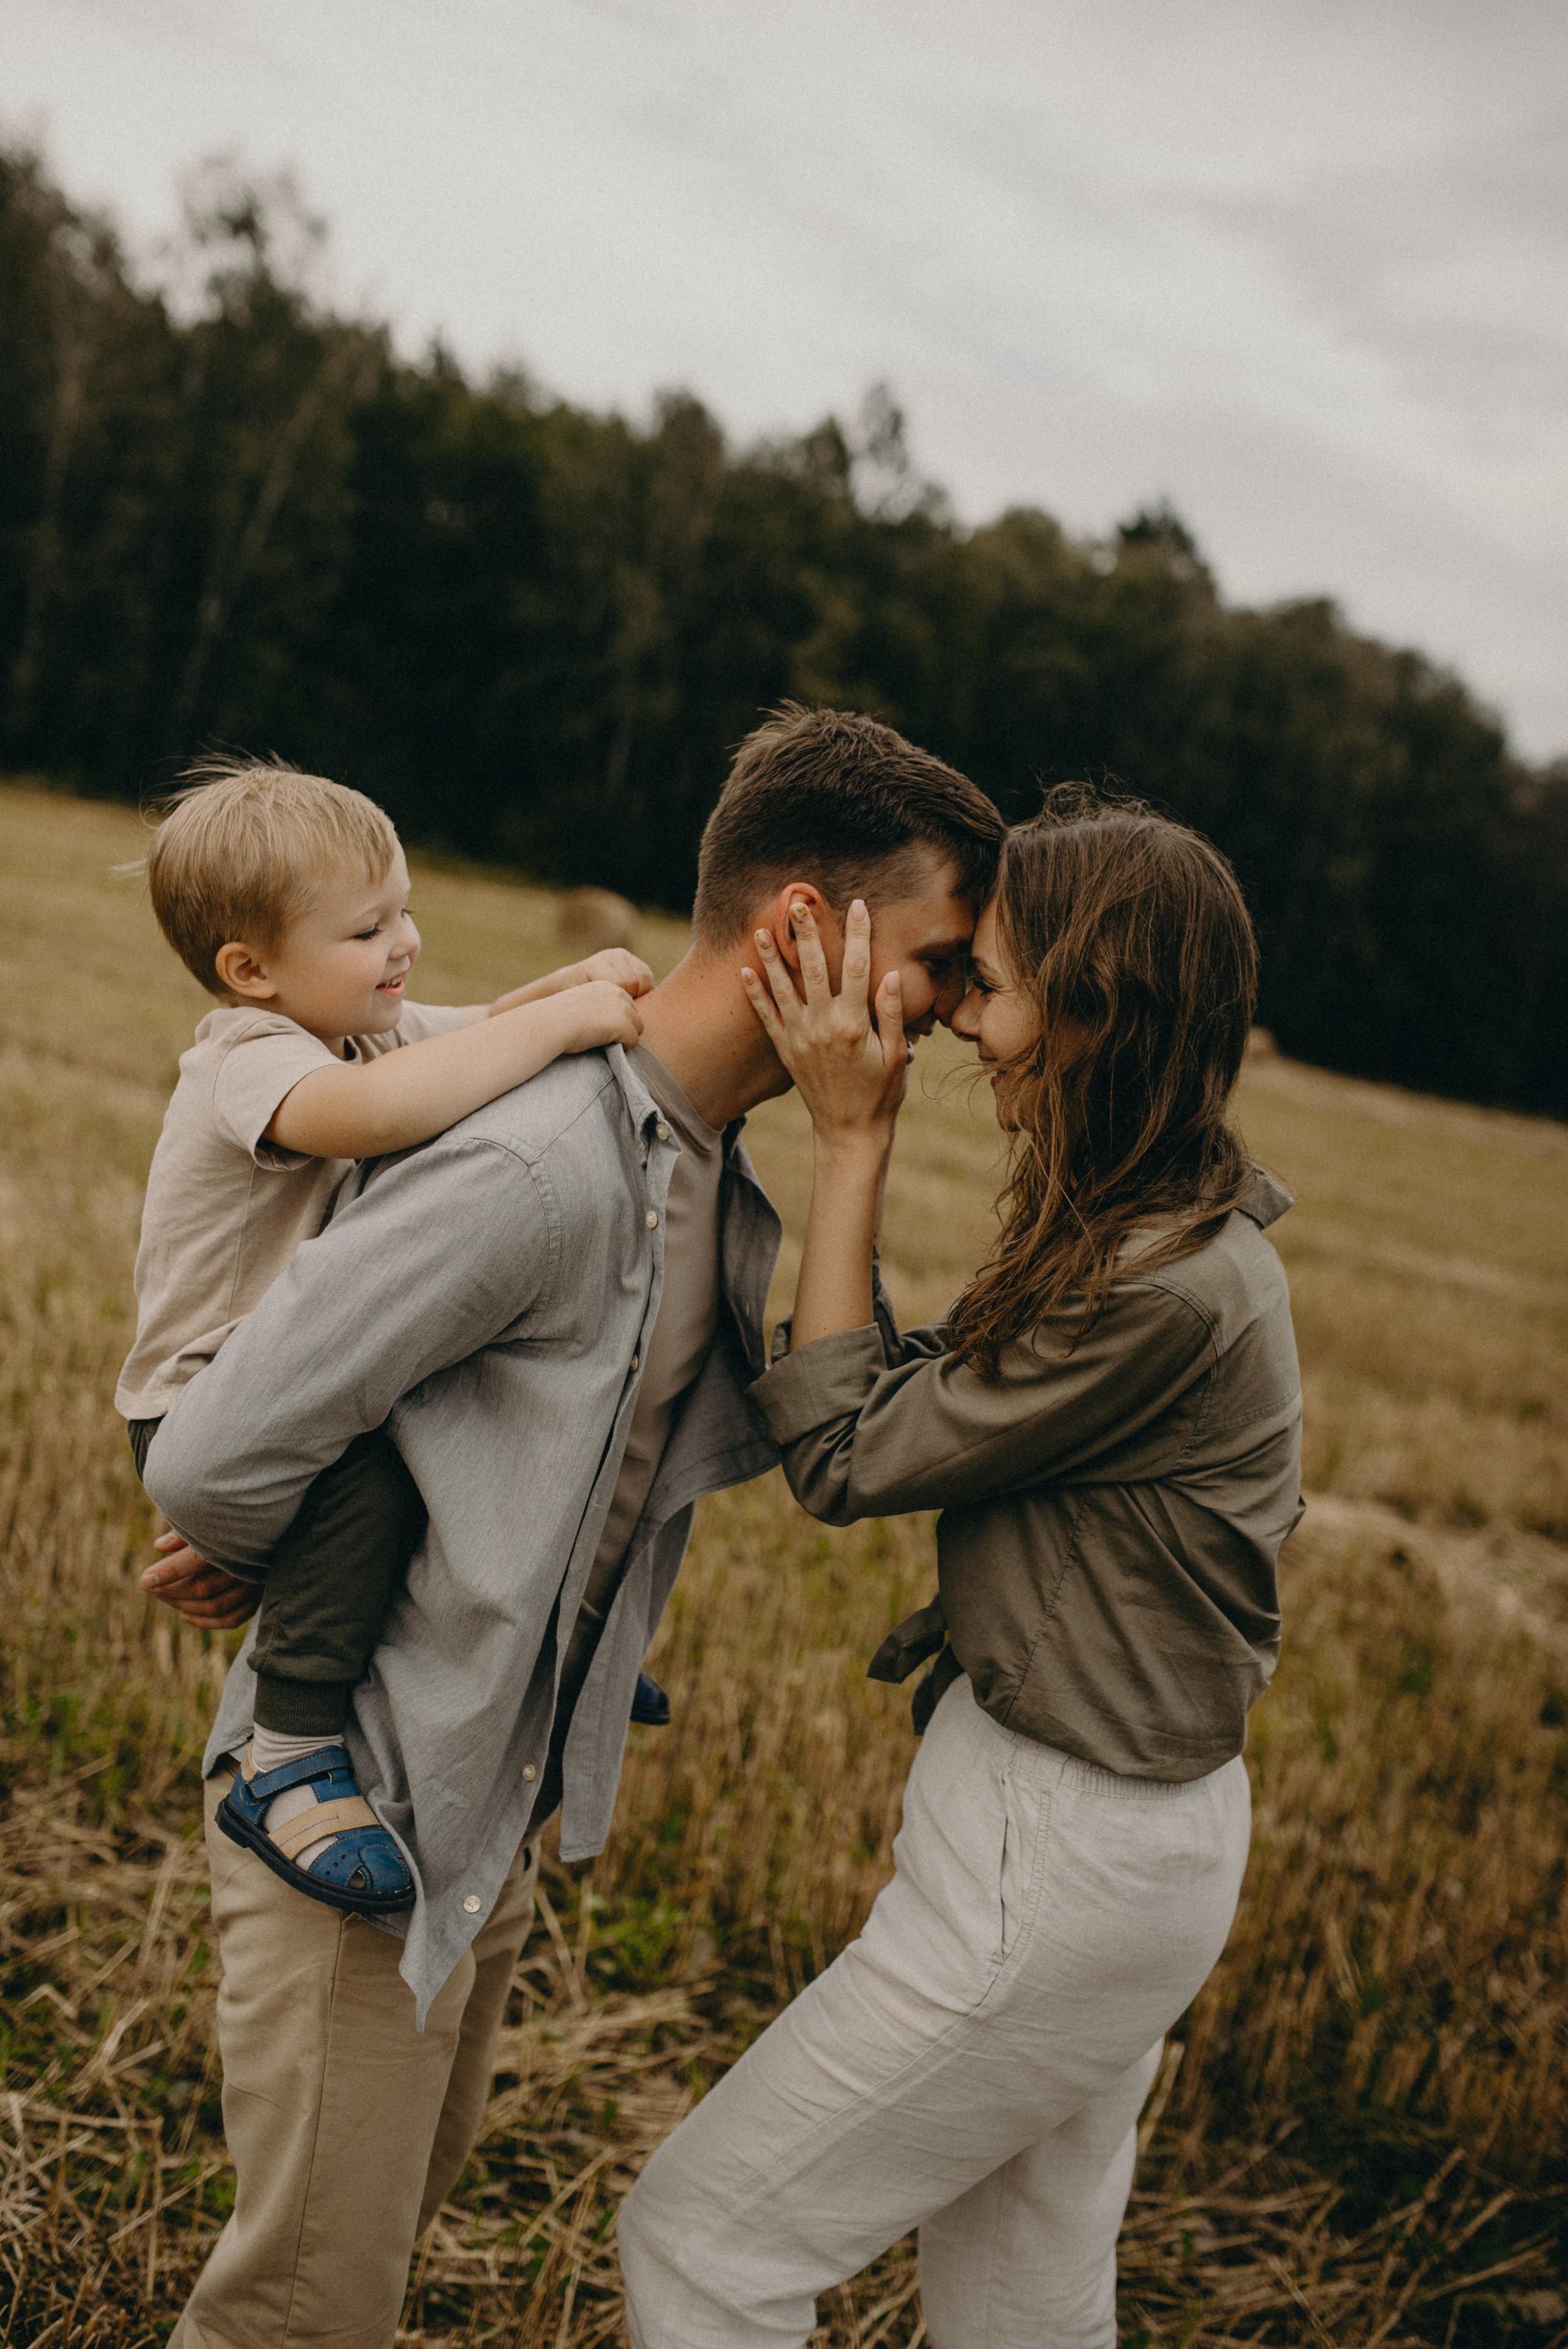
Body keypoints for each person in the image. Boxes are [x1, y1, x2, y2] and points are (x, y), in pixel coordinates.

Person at [137, 705, 1006, 2349]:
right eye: (946, 958)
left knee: (370, 2258)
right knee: (300, 2317)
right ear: (802, 932)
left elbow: (835, 1417)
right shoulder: (545, 1165)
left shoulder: (695, 1161)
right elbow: (218, 1454)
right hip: (358, 1817)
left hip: (479, 1807)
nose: (960, 1009)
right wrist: (269, 1553)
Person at [619, 793, 1303, 2349]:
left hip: (1060, 1868)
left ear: (1093, 1010)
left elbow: (851, 1453)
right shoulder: (1156, 1226)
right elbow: (924, 1385)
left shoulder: (1167, 1288)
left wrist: (848, 1137)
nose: (958, 1024)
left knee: (702, 2245)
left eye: (987, 984)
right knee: (1019, 2301)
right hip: (1111, 1849)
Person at [118, 757, 657, 1916]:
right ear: (250, 970)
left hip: (305, 1374)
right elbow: (380, 1118)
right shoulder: (250, 1058)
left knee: (456, 1423)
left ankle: (535, 1644)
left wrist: (570, 982)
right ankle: (287, 1751)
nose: (404, 942)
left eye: (405, 908)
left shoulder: (361, 1024)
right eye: (370, 927)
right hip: (208, 1398)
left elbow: (477, 1032)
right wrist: (568, 1019)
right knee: (390, 1472)